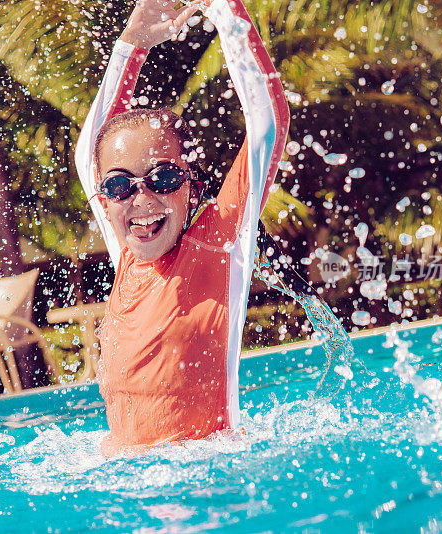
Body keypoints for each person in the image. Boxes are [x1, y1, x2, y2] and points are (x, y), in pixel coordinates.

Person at [74, 0, 290, 456]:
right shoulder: (127, 252)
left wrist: (225, 11)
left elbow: (268, 124)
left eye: (164, 178)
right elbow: (89, 153)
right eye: (118, 184)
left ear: (189, 184)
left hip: (207, 484)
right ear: (104, 193)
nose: (142, 199)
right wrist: (131, 45)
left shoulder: (219, 243)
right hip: (122, 485)